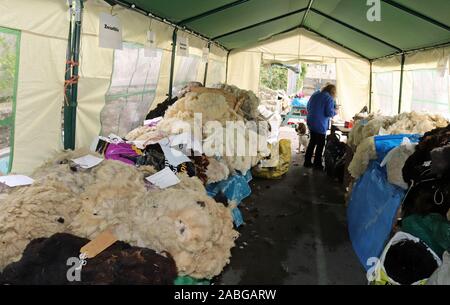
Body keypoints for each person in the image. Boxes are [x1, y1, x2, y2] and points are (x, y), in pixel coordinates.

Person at [304, 84, 338, 169]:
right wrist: (336, 111)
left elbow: (308, 107)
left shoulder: (315, 94)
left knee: (312, 142)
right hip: (320, 123)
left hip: (311, 121)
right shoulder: (329, 98)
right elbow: (329, 113)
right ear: (332, 92)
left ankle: (307, 161)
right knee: (320, 144)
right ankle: (317, 164)